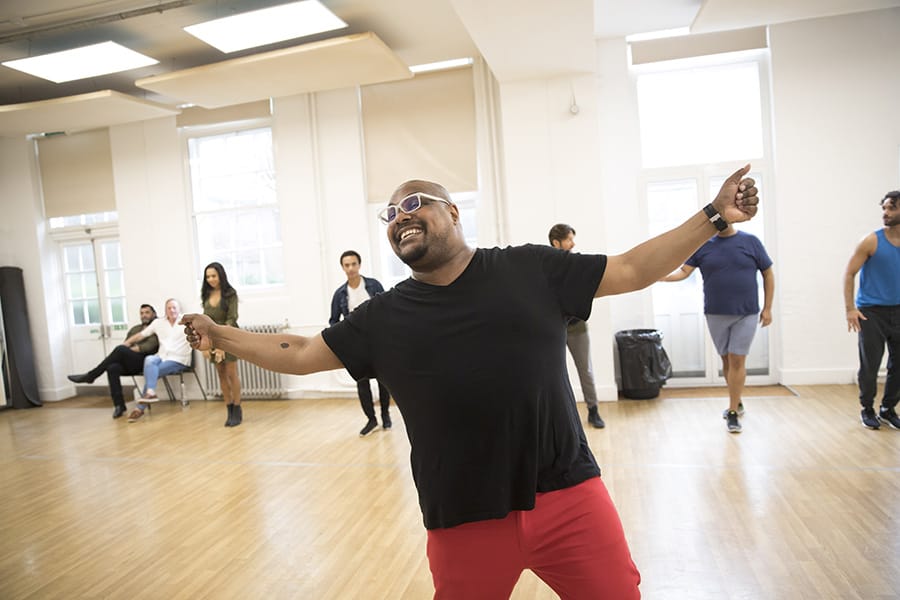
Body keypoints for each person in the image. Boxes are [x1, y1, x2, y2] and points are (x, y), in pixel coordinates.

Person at [182, 166, 759, 598]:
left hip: (568, 497)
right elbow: (304, 350)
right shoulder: (383, 317)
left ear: (454, 213)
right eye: (390, 213)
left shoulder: (531, 268)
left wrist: (713, 216)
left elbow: (631, 268)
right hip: (462, 515)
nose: (400, 215)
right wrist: (220, 332)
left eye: (414, 202)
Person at [661, 222, 773, 433]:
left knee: (737, 359)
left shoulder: (750, 242)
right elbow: (684, 272)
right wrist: (659, 276)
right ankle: (736, 400)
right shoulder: (703, 245)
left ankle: (732, 412)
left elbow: (768, 273)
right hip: (715, 313)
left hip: (746, 312)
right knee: (727, 361)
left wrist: (767, 308)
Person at [843, 190, 900, 430]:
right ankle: (867, 408)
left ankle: (888, 408)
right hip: (871, 312)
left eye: (891, 208)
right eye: (884, 208)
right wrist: (850, 309)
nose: (885, 213)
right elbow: (849, 273)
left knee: (898, 365)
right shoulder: (871, 241)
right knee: (870, 365)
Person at [329, 250, 392, 436]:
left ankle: (385, 415)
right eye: (347, 265)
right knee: (362, 383)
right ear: (343, 268)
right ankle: (371, 420)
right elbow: (333, 321)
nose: (351, 268)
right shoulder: (340, 294)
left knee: (384, 381)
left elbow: (386, 309)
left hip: (378, 341)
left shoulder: (373, 285)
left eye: (353, 264)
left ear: (359, 265)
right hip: (356, 345)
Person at [548, 224, 605, 429]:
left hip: (576, 328)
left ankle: (593, 411)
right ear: (556, 243)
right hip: (553, 328)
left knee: (585, 370)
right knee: (552, 374)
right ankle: (557, 416)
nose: (573, 244)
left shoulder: (577, 264)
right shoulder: (546, 265)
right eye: (569, 239)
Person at [67, 304, 159, 418]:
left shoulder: (156, 328)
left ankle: (91, 375)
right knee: (112, 368)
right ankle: (119, 405)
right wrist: (126, 350)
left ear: (153, 314)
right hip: (131, 362)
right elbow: (125, 345)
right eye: (142, 313)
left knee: (120, 350)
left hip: (145, 363)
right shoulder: (135, 329)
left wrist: (127, 349)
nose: (144, 315)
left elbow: (147, 347)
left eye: (147, 312)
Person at [124, 298, 192, 422]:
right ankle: (150, 392)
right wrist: (126, 344)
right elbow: (141, 335)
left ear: (179, 309)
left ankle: (139, 408)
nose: (172, 310)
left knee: (152, 372)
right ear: (165, 310)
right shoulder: (158, 323)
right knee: (149, 359)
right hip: (162, 356)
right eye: (169, 308)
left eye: (174, 308)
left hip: (179, 359)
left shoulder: (187, 322)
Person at [202, 262, 243, 427]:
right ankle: (229, 408)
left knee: (231, 373)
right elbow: (205, 320)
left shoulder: (230, 294)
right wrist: (206, 344)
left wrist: (222, 344)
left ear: (220, 276)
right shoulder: (206, 294)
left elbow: (232, 318)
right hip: (213, 338)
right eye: (208, 277)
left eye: (213, 276)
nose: (211, 279)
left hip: (229, 336)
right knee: (221, 374)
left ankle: (237, 408)